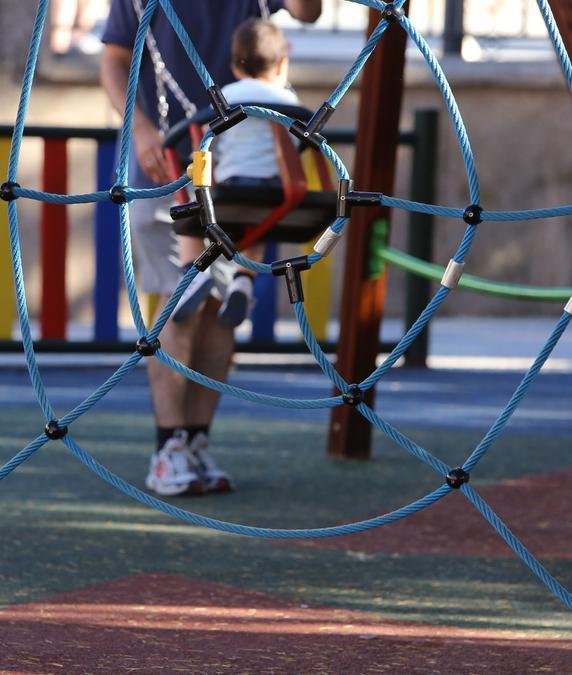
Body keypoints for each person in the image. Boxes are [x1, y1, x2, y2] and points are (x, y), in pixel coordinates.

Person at [101, 0, 322, 497]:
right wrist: (139, 128)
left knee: (219, 310)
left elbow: (308, 11)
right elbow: (114, 58)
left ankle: (196, 441)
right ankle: (169, 447)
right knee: (178, 309)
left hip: (236, 172)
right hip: (169, 160)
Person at [171, 18, 299, 329]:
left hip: (228, 191)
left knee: (189, 217)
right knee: (257, 226)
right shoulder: (289, 102)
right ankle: (242, 281)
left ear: (235, 67)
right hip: (277, 195)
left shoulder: (225, 97)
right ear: (282, 65)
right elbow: (297, 144)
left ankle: (192, 275)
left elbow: (206, 143)